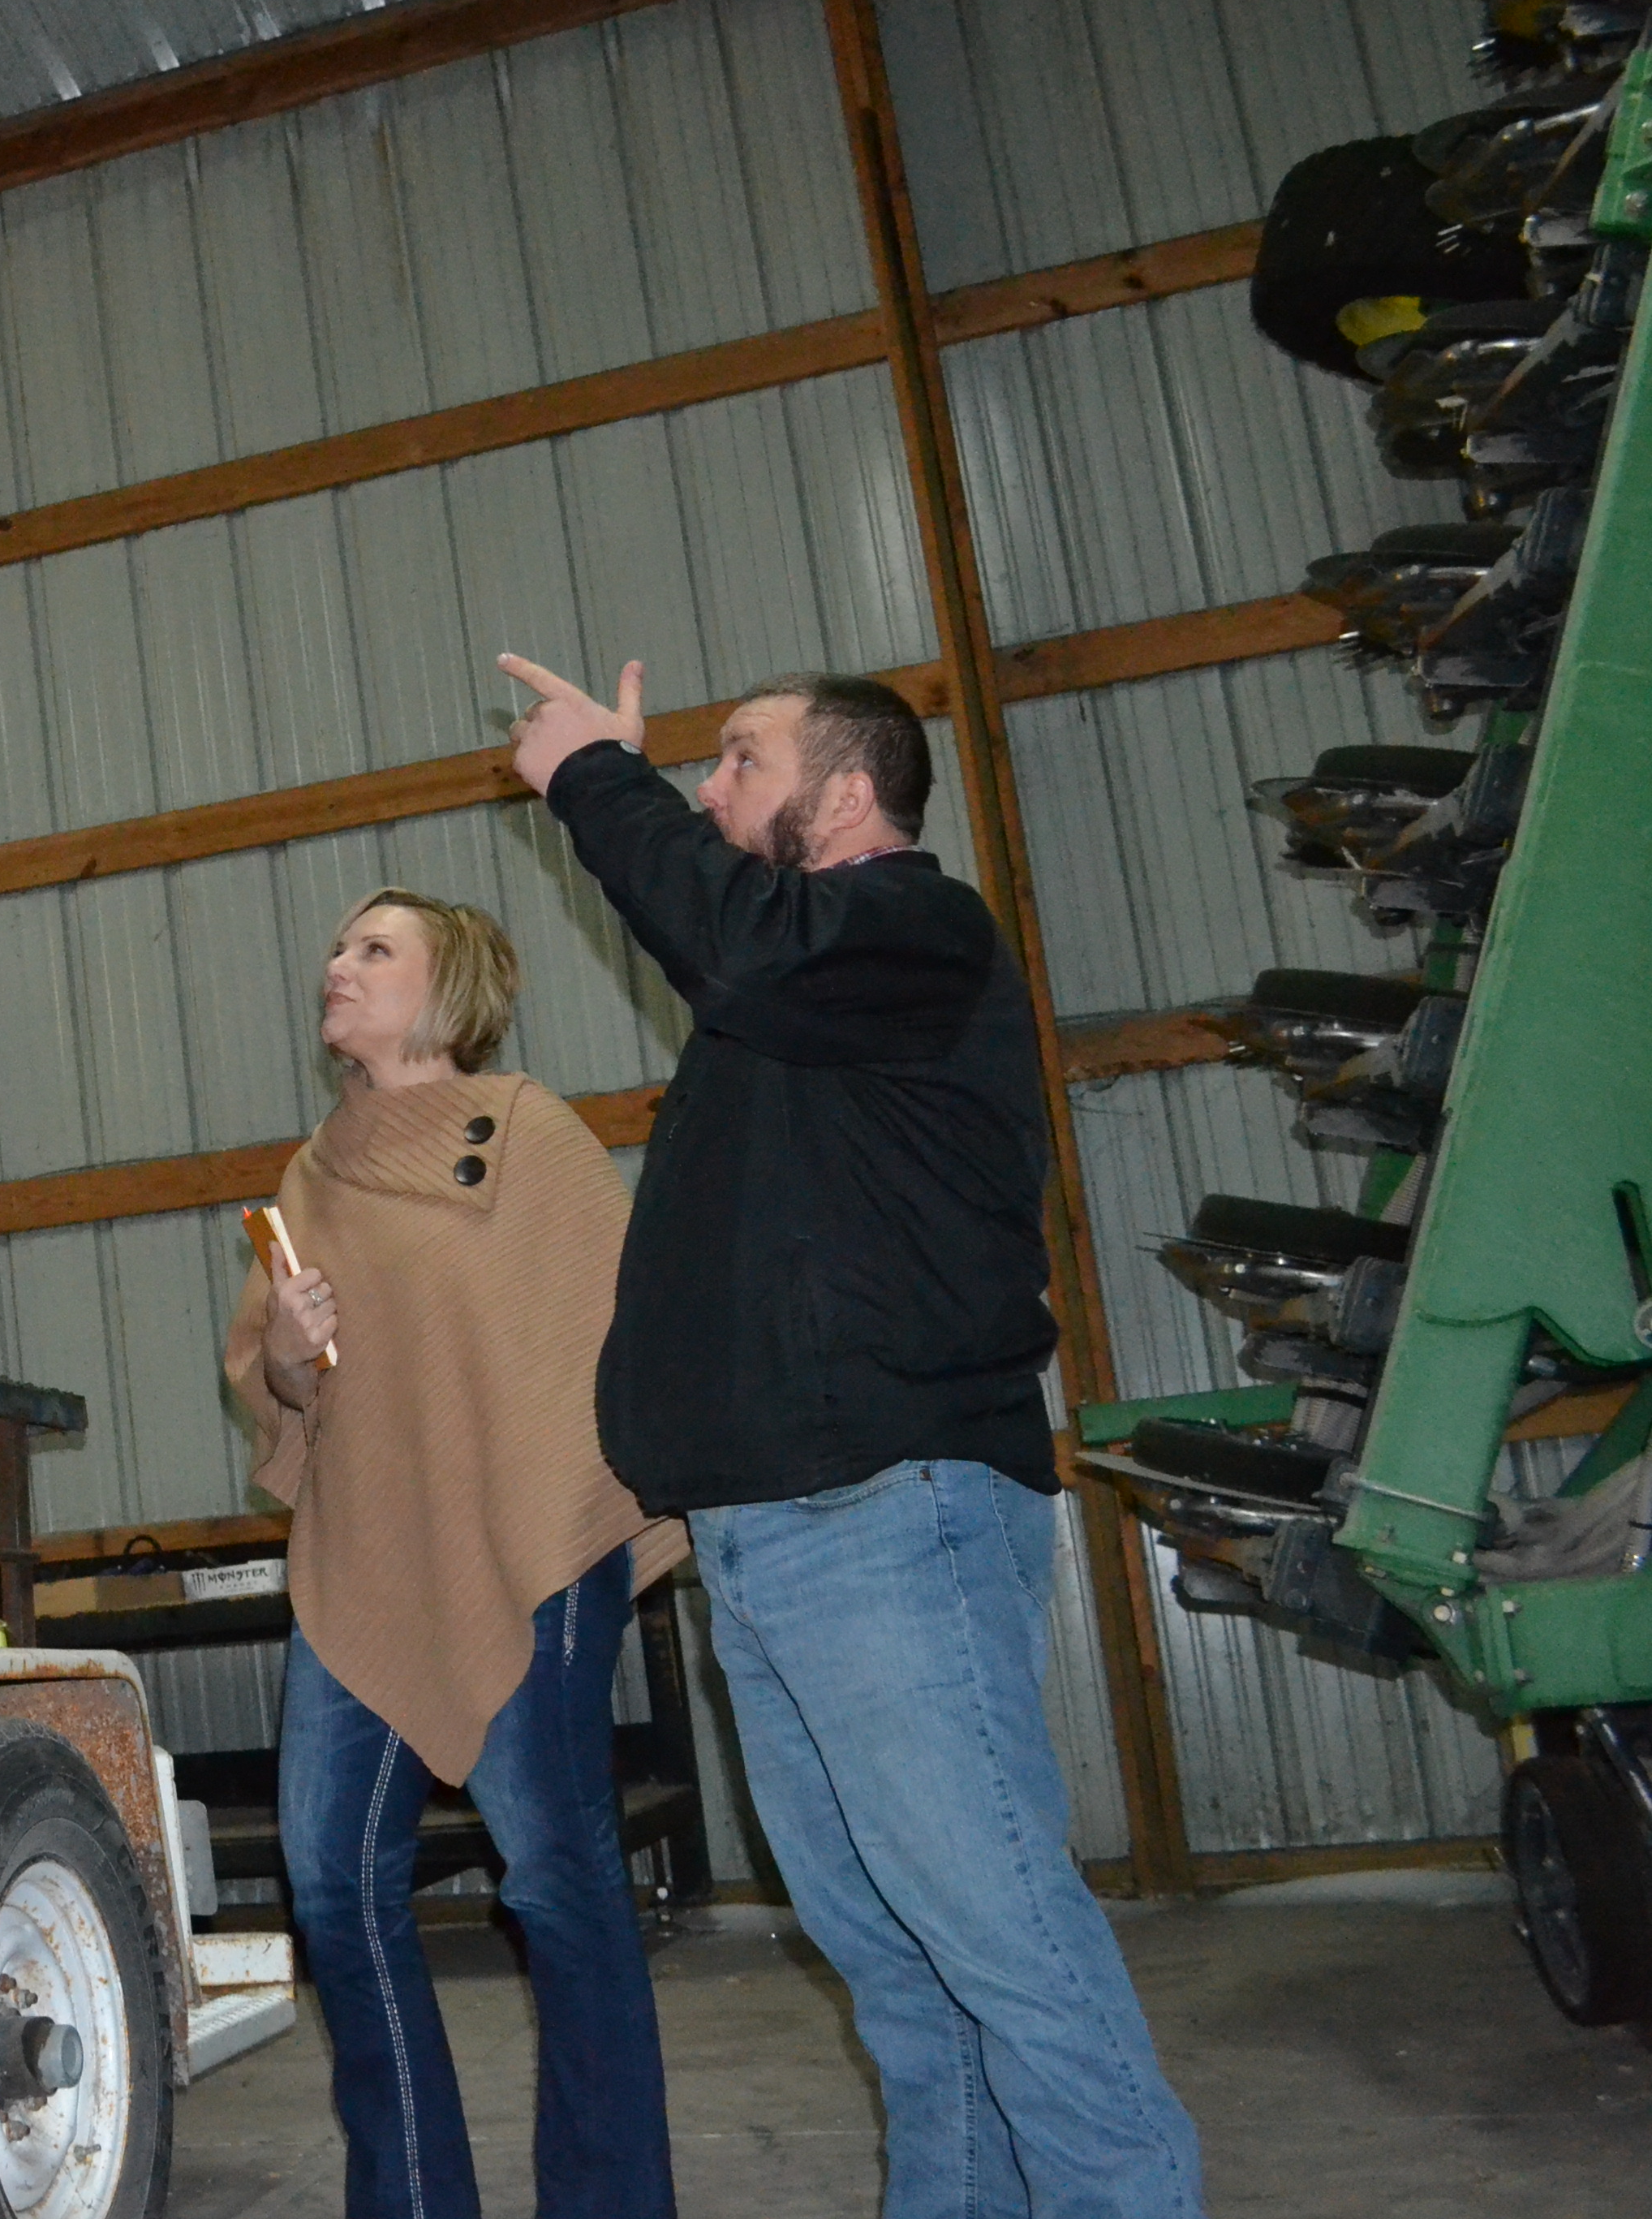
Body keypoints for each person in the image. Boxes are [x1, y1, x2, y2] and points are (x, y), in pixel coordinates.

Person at [496, 654, 1204, 2219]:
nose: (707, 789)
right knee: (903, 1974)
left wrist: (592, 778)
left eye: (740, 760)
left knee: (1001, 1938)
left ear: (851, 789)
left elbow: (737, 947)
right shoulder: (801, 1008)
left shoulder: (910, 930)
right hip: (771, 1532)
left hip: (883, 1513)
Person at [222, 887, 684, 2219]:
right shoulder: (310, 1176)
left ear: (447, 988)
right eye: (337, 940)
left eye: (374, 948)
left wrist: (570, 1512)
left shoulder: (530, 1135)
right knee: (329, 1879)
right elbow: (280, 1378)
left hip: (529, 1546)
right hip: (365, 1558)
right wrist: (297, 1364)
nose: (337, 962)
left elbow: (606, 1331)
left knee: (557, 1874)